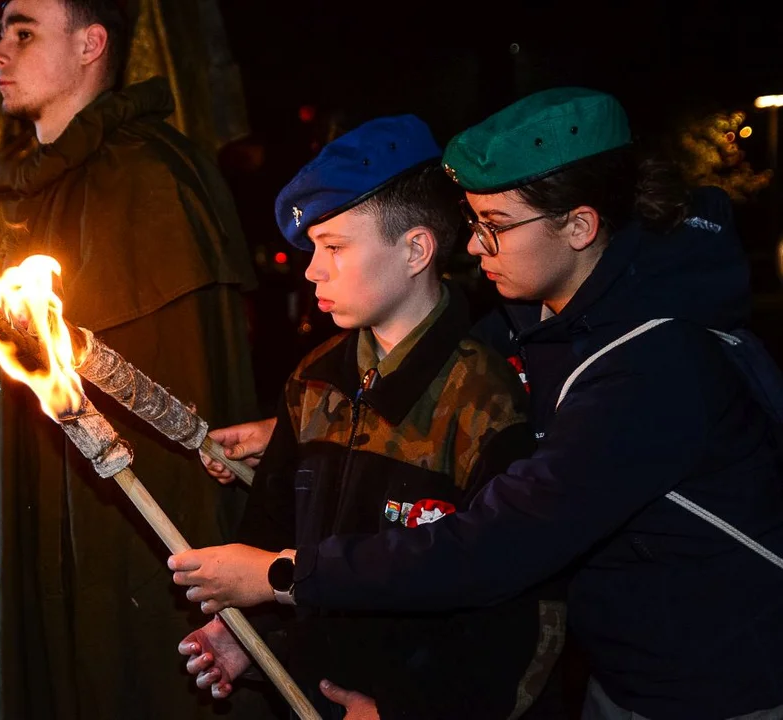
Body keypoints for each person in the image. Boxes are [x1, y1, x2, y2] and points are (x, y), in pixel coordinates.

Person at [180, 87, 783, 720]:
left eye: (493, 227)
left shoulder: (657, 368)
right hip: (629, 670)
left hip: (724, 683)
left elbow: (494, 545)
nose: (471, 248)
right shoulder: (540, 313)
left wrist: (284, 574)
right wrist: (302, 423)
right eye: (472, 224)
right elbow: (428, 384)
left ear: (578, 226)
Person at [169, 115, 565, 719]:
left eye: (335, 247)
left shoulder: (486, 400)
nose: (311, 270)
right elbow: (271, 542)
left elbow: (520, 615)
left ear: (415, 250)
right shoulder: (314, 379)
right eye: (313, 249)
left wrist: (410, 710)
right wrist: (246, 634)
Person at [0, 1, 263, 719]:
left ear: (90, 44)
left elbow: (181, 407)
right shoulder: (30, 184)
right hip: (48, 498)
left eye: (22, 32)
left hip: (130, 531)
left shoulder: (149, 175)